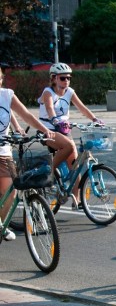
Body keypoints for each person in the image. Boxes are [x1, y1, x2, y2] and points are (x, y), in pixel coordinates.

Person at [0, 67, 58, 241]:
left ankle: (1, 226)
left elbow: (26, 115)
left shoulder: (7, 95)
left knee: (10, 191)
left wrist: (45, 129)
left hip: (3, 149)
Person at [35, 63, 80, 194]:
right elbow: (49, 107)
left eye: (68, 78)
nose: (66, 80)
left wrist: (95, 119)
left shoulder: (70, 92)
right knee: (69, 146)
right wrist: (54, 120)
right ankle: (50, 171)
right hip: (48, 130)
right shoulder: (48, 92)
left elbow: (81, 107)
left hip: (64, 130)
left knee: (75, 165)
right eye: (62, 78)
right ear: (54, 78)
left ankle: (77, 200)